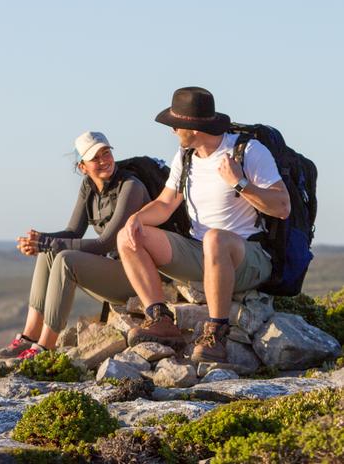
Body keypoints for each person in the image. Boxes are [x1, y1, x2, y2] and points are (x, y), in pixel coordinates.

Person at [117, 87, 290, 363]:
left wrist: (240, 183)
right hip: (201, 252)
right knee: (127, 237)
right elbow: (165, 204)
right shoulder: (185, 156)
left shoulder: (247, 151)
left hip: (248, 257)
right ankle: (160, 320)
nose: (172, 131)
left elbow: (282, 207)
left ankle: (216, 333)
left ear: (193, 128)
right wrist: (135, 219)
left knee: (215, 239)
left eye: (175, 125)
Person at [0, 131, 150, 360]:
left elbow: (106, 242)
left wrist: (47, 243)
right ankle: (29, 337)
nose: (104, 160)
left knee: (65, 259)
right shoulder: (89, 187)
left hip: (139, 276)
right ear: (82, 167)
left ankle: (45, 348)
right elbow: (73, 232)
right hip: (114, 269)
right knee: (48, 254)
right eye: (95, 157)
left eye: (106, 153)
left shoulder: (130, 186)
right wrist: (39, 242)